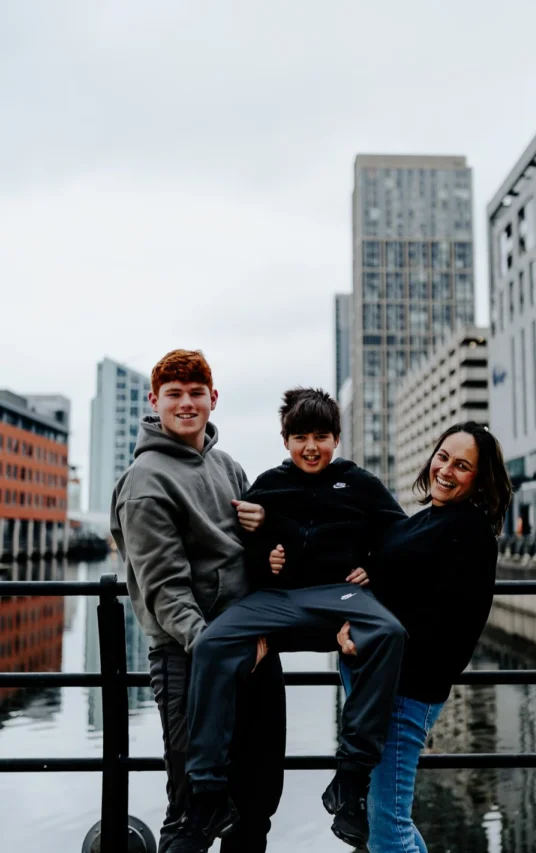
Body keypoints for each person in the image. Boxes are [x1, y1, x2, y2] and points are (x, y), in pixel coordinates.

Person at [170, 387, 407, 853]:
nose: (311, 447)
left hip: (341, 596)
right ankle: (207, 792)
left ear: (336, 439)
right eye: (300, 437)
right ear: (285, 441)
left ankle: (350, 782)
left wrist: (376, 567)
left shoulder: (357, 482)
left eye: (321, 436)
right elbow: (244, 554)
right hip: (279, 601)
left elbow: (401, 534)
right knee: (212, 643)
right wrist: (267, 559)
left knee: (389, 632)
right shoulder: (267, 485)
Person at [110, 349, 286, 853]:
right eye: (174, 394)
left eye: (195, 393)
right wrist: (226, 646)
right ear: (155, 401)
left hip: (252, 649)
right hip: (190, 658)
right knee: (193, 813)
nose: (186, 404)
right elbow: (166, 590)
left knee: (255, 805)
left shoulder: (228, 466)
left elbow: (256, 557)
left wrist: (265, 530)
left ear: (213, 399)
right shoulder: (146, 481)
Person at [333, 421, 512, 853]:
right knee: (388, 819)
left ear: (480, 479)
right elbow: (404, 584)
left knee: (386, 829)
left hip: (404, 690)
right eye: (444, 457)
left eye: (463, 465)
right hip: (379, 681)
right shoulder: (431, 518)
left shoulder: (468, 532)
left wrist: (373, 639)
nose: (446, 470)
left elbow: (451, 629)